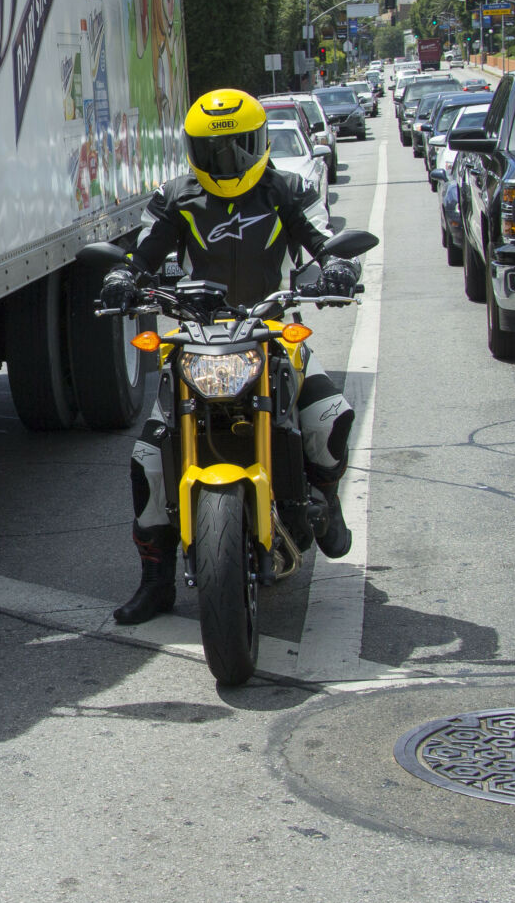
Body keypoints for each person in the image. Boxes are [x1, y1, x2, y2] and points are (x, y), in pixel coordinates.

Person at [98, 88, 360, 626]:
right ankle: (156, 582)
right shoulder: (175, 196)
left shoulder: (287, 189)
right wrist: (123, 275)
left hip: (271, 332)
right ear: (194, 150)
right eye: (214, 151)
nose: (228, 162)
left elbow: (323, 237)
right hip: (199, 336)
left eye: (238, 148)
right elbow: (142, 251)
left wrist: (337, 267)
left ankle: (325, 503)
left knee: (330, 417)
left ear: (258, 143)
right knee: (148, 459)